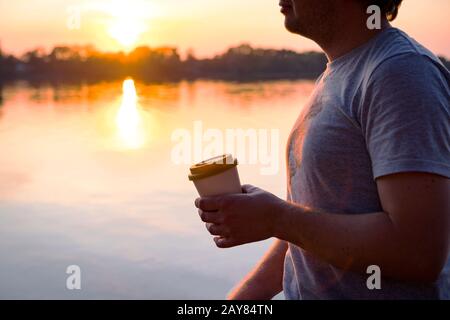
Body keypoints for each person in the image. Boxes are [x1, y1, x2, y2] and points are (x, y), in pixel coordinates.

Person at [194, 0, 450, 299]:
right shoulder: (341, 71)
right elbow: (308, 230)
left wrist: (277, 218)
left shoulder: (400, 72)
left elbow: (418, 253)